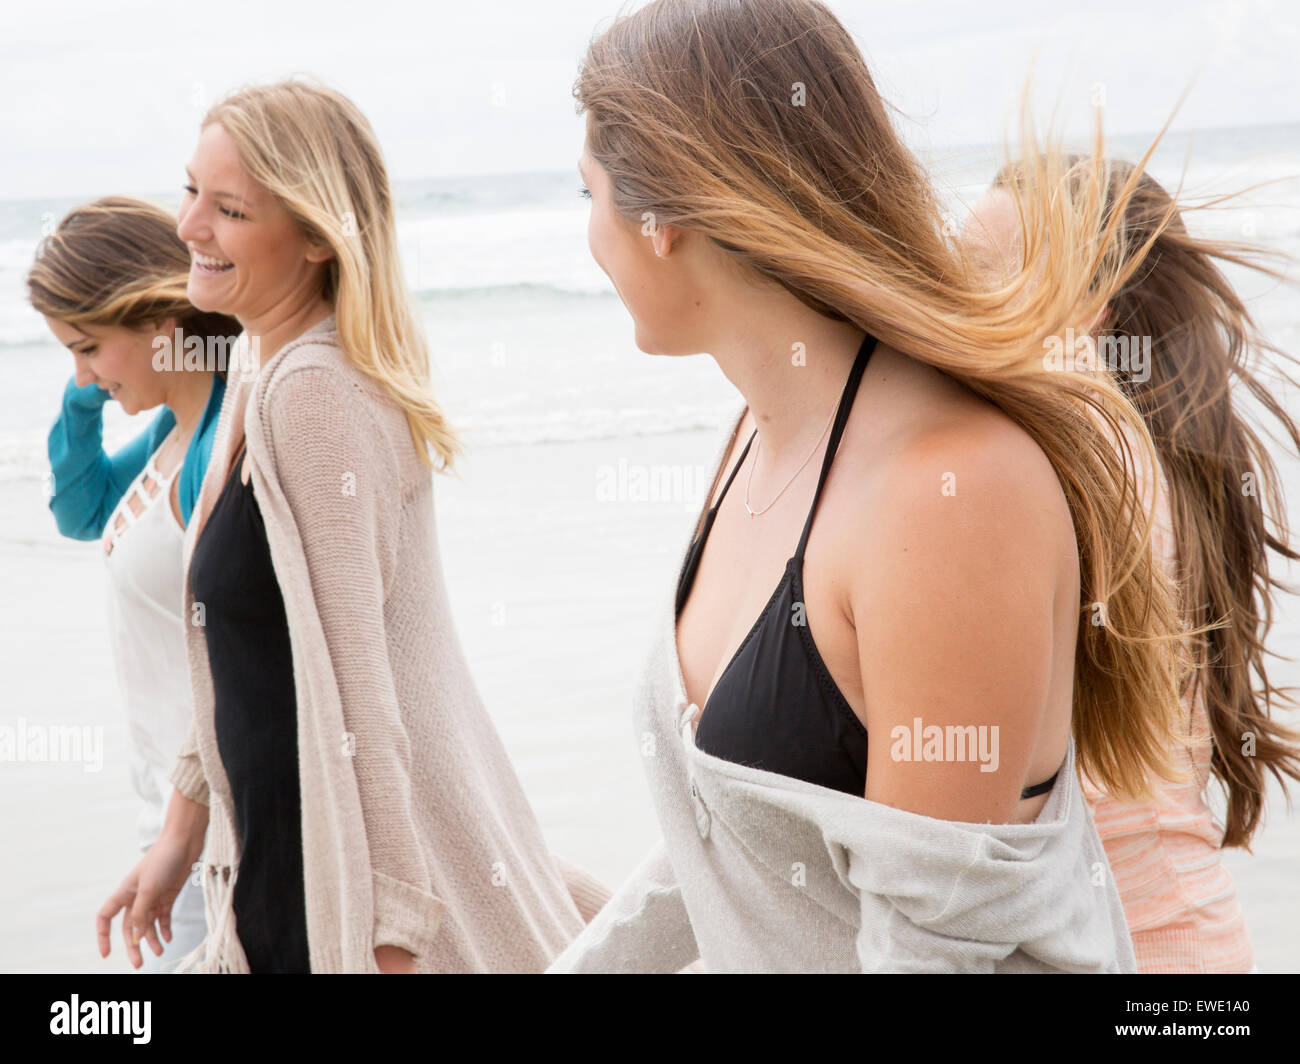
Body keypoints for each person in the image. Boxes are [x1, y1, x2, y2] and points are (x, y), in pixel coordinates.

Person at [551, 0, 1193, 973]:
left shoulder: (949, 491)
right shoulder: (759, 435)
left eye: (588, 193)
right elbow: (736, 831)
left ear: (663, 217)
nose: (589, 237)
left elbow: (929, 951)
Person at [98, 79, 608, 973]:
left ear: (313, 239)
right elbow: (243, 658)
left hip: (335, 898)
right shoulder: (264, 367)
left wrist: (393, 931)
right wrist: (180, 833)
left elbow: (361, 693)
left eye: (228, 209)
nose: (187, 227)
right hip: (276, 874)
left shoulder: (312, 392)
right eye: (190, 191)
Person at [965, 158, 1300, 973]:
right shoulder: (1124, 452)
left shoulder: (1092, 462)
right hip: (1178, 945)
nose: (939, 290)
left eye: (978, 272)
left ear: (1086, 310)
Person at [28, 196, 239, 972]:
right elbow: (83, 512)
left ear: (159, 319)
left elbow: (245, 648)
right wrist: (86, 392)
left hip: (215, 816)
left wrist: (185, 825)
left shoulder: (219, 439)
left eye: (88, 347)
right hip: (166, 808)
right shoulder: (174, 426)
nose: (81, 372)